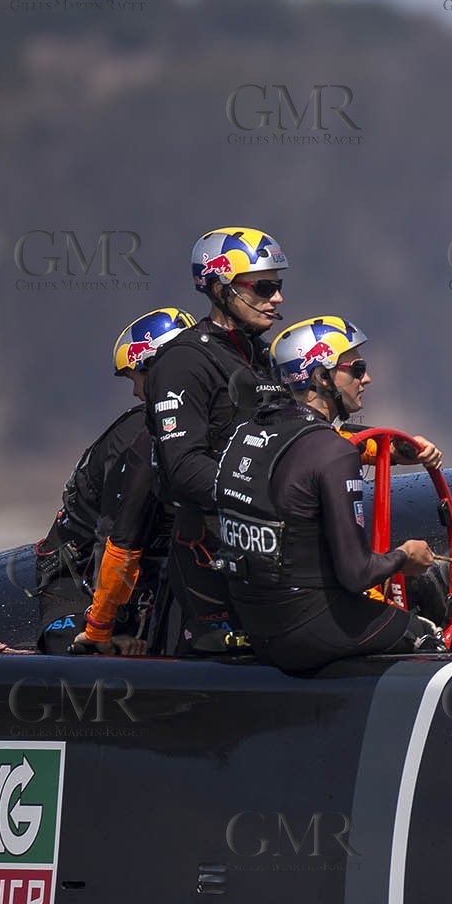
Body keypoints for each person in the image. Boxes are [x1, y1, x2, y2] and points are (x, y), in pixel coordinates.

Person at [215, 316, 444, 673]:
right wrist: (404, 556)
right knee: (427, 637)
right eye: (357, 368)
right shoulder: (334, 453)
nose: (366, 378)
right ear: (321, 377)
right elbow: (357, 573)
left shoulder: (249, 432)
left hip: (256, 625)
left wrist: (396, 450)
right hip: (308, 627)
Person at [142, 227, 290, 651]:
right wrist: (266, 496)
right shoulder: (185, 360)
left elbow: (297, 431)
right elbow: (183, 467)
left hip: (264, 544)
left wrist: (368, 445)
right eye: (263, 287)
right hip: (209, 556)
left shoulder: (260, 356)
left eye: (278, 287)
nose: (277, 298)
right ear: (220, 288)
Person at [33, 308, 195, 654]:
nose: (136, 390)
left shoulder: (198, 421)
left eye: (135, 376)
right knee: (91, 656)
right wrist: (104, 630)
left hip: (150, 568)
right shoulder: (137, 437)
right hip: (75, 577)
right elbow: (112, 544)